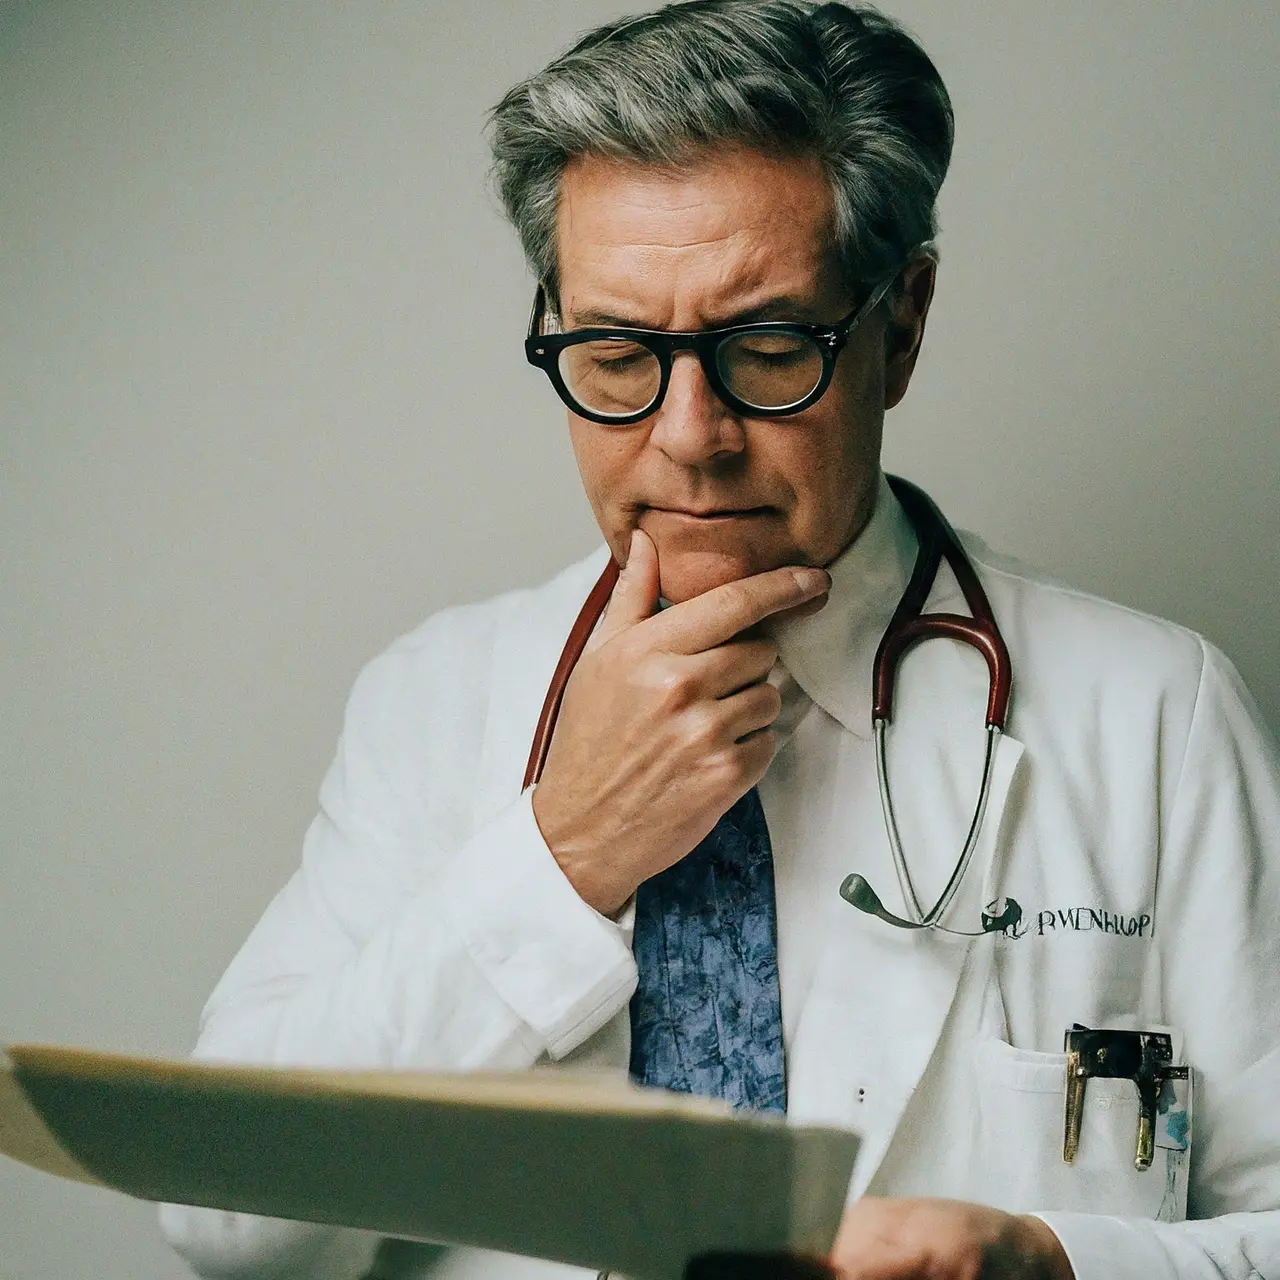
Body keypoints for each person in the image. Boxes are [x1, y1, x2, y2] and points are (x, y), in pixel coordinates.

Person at [159, 3, 1280, 1278]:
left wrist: (1049, 1261)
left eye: (762, 346)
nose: (688, 435)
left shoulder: (1152, 714)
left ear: (897, 325)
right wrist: (563, 851)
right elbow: (224, 1221)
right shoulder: (430, 701)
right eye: (618, 351)